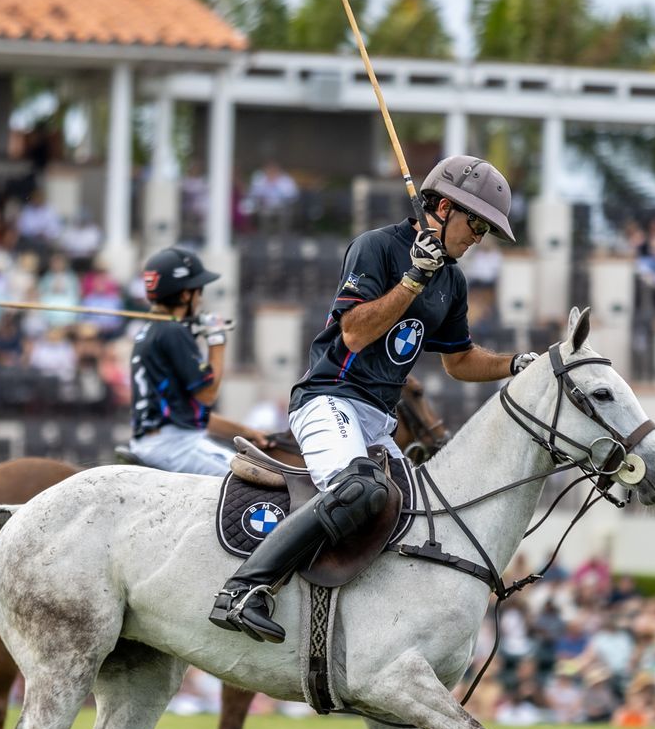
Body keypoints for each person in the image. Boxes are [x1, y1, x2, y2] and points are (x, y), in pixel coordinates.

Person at [210, 155, 531, 643]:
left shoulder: (452, 280)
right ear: (443, 207)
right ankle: (245, 589)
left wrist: (515, 365)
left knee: (416, 516)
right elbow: (355, 333)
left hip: (378, 419)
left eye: (487, 230)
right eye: (476, 224)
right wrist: (411, 281)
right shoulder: (377, 248)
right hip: (328, 398)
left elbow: (459, 360)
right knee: (362, 490)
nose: (478, 238)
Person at [127, 247, 234, 476]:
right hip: (175, 445)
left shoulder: (151, 330)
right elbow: (207, 395)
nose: (201, 298)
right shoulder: (172, 331)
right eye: (198, 291)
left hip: (155, 442)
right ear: (185, 295)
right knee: (254, 481)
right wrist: (217, 338)